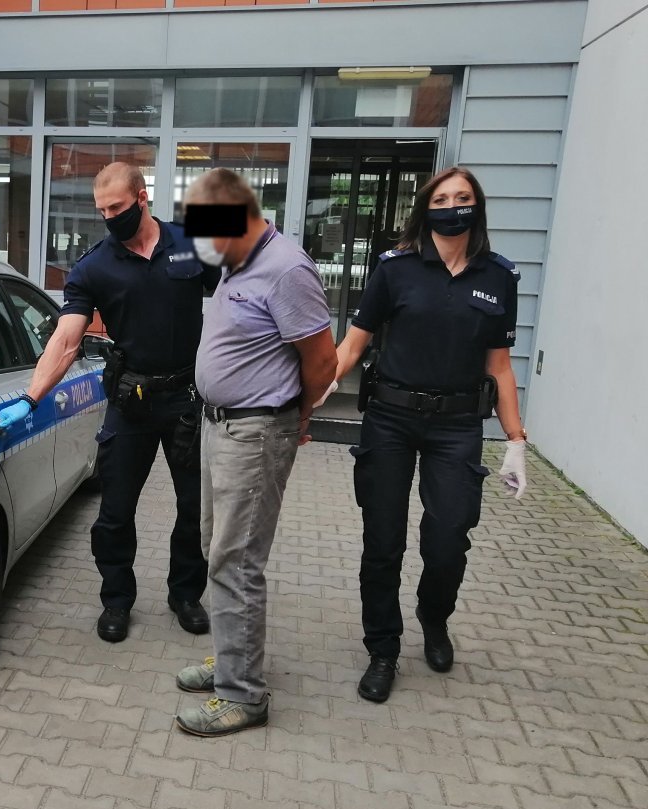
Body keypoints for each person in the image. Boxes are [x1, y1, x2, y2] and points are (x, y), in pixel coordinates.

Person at [0, 162, 220, 643]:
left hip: (186, 398)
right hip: (130, 400)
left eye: (117, 208)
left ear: (142, 197)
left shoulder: (190, 244)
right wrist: (32, 397)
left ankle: (185, 594)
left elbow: (239, 292)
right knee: (114, 512)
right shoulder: (94, 267)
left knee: (194, 508)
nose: (109, 218)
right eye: (102, 211)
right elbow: (65, 340)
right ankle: (117, 599)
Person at [334, 166, 529, 704]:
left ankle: (433, 615)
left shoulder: (498, 276)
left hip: (457, 425)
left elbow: (499, 365)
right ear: (426, 208)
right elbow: (352, 345)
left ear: (477, 207)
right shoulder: (395, 268)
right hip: (391, 419)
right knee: (383, 541)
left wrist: (516, 439)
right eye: (441, 199)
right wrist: (311, 392)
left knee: (448, 540)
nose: (452, 206)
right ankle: (383, 648)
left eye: (462, 198)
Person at [172, 169, 337, 737]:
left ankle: (243, 694)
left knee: (237, 559)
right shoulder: (235, 262)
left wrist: (296, 418)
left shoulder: (287, 269)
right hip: (218, 425)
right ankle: (232, 656)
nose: (203, 247)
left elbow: (322, 362)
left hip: (256, 432)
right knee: (214, 546)